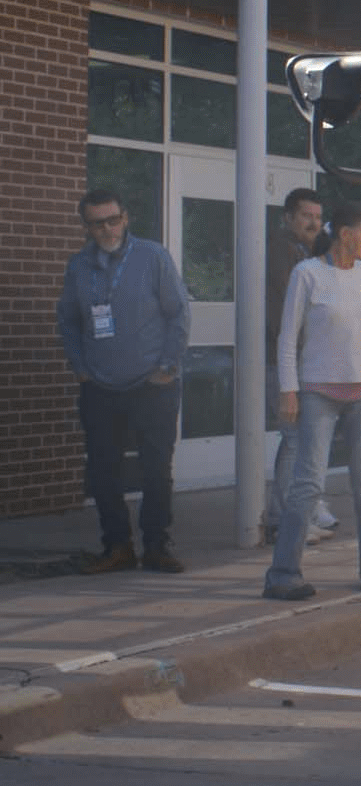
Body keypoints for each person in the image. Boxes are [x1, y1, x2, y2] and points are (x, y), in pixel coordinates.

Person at [266, 200, 361, 601]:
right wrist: (288, 390)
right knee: (307, 484)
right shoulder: (306, 274)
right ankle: (283, 575)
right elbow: (288, 337)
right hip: (317, 392)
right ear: (346, 234)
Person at [55, 188, 191, 574]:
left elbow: (179, 313)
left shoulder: (152, 257)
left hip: (152, 384)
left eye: (113, 219)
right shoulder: (79, 266)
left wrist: (167, 365)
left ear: (125, 217)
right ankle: (117, 547)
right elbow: (68, 319)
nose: (107, 228)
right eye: (98, 223)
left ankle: (156, 547)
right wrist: (79, 365)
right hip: (99, 386)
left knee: (155, 469)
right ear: (87, 226)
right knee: (102, 471)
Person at [265, 187, 338, 542]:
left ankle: (301, 511)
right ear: (288, 218)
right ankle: (283, 520)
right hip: (286, 359)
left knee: (303, 439)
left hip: (307, 359)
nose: (314, 223)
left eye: (317, 217)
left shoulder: (311, 252)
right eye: (307, 216)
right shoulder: (281, 250)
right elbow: (286, 308)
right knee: (295, 438)